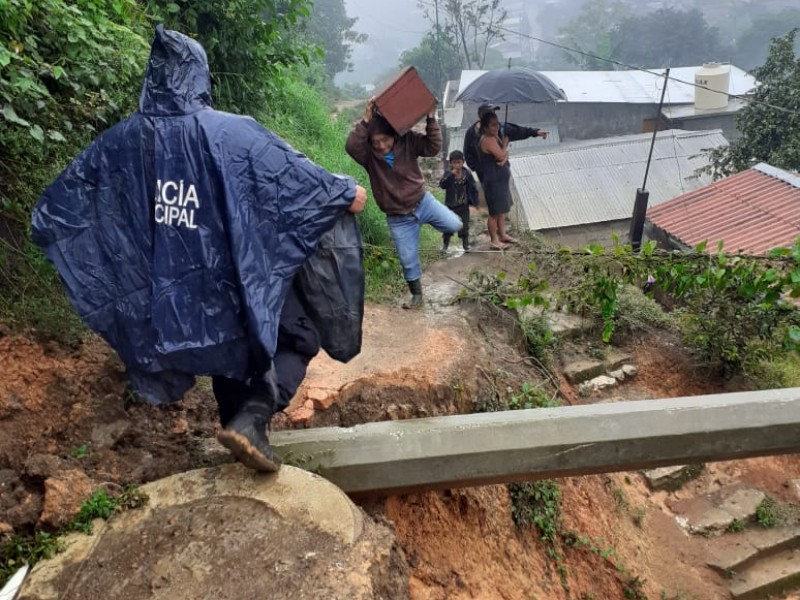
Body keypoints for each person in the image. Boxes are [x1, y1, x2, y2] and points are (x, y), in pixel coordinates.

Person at [31, 26, 367, 473]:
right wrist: (346, 192)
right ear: (199, 75)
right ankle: (252, 417)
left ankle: (242, 433)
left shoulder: (123, 141)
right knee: (298, 336)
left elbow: (60, 209)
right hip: (236, 276)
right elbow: (294, 180)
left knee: (225, 351)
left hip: (171, 291)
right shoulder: (233, 133)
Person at [346, 98, 462, 309]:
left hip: (423, 202)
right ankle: (417, 296)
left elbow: (432, 147)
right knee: (408, 260)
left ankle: (444, 235)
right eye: (376, 142)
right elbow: (351, 145)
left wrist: (430, 118)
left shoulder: (408, 140)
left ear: (393, 135)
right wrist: (366, 119)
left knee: (455, 225)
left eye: (385, 140)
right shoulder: (369, 156)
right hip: (398, 218)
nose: (381, 145)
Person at [463, 103, 548, 183]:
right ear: (482, 117)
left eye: (493, 112)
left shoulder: (501, 128)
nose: (493, 115)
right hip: (487, 179)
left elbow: (519, 131)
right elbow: (467, 153)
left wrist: (535, 132)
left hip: (503, 174)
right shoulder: (472, 133)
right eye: (489, 113)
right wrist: (478, 169)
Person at [477, 111, 516, 249]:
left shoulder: (493, 137)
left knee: (501, 210)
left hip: (500, 180)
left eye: (497, 124)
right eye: (493, 125)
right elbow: (500, 156)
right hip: (493, 181)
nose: (497, 127)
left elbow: (503, 157)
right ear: (485, 127)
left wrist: (504, 156)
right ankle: (494, 239)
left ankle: (503, 234)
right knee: (494, 212)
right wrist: (505, 144)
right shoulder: (487, 140)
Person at [439, 150, 478, 252]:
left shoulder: (467, 174)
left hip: (463, 206)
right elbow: (442, 185)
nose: (457, 165)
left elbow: (473, 188)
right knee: (447, 226)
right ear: (450, 163)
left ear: (463, 162)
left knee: (464, 226)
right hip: (450, 206)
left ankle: (465, 245)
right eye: (454, 162)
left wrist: (474, 202)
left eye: (459, 162)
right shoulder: (448, 173)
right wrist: (451, 175)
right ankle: (445, 245)